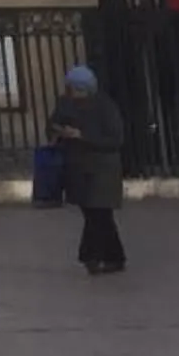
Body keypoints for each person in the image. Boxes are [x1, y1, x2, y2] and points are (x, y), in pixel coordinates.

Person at [47, 65, 128, 274]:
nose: (72, 92)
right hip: (78, 168)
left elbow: (115, 139)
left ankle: (91, 255)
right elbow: (53, 124)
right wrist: (59, 131)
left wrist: (81, 136)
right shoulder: (65, 104)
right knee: (95, 214)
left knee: (98, 213)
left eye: (75, 88)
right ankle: (113, 256)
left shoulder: (105, 106)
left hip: (102, 169)